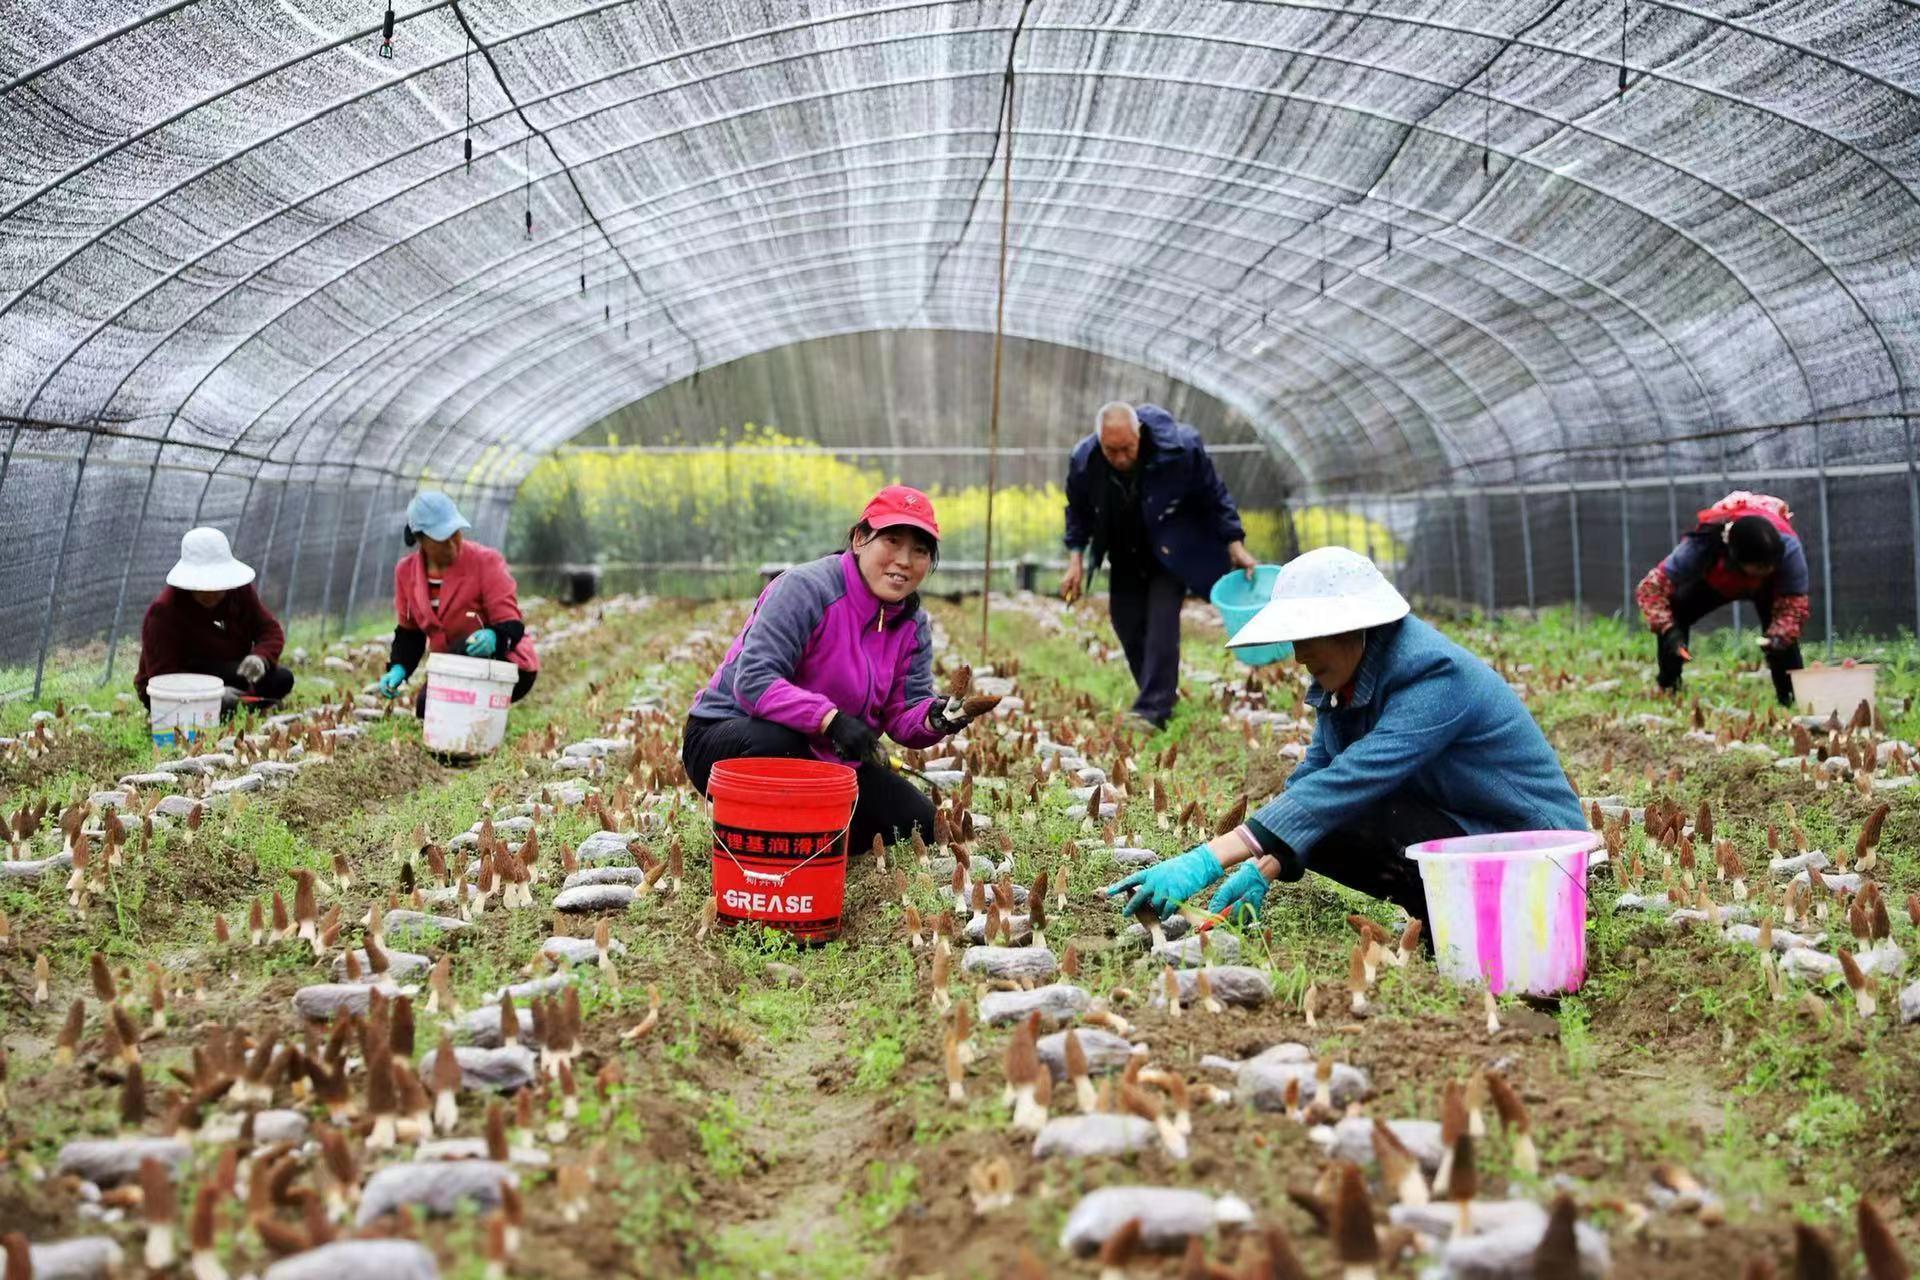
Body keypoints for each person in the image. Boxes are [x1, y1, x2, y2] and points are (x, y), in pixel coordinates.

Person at [1106, 547, 1584, 928]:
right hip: (1470, 837)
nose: (1298, 657)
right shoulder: (1348, 686)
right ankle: (1450, 920)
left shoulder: (1435, 676)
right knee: (1314, 817)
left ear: (1353, 626)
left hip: (1537, 854)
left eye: (1307, 636)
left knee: (1345, 804)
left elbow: (1352, 780)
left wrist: (1208, 859)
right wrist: (1264, 865)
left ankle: (1485, 917)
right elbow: (1316, 776)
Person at [682, 485, 986, 855]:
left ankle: (805, 838)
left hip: (827, 757)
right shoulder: (805, 588)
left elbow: (904, 713)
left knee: (915, 820)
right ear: (859, 539)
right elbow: (754, 683)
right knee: (779, 744)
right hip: (730, 737)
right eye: (891, 541)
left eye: (920, 550)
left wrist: (935, 718)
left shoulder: (911, 624)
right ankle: (762, 834)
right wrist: (830, 719)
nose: (905, 560)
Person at [1061, 401, 1257, 728]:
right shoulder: (1085, 461)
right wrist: (1075, 560)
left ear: (1139, 434)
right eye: (1113, 452)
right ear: (1099, 443)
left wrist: (1235, 543)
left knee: (1162, 622)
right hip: (1124, 550)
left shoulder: (1180, 449)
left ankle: (1153, 710)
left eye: (1127, 448)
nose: (1122, 459)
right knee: (1126, 622)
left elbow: (1214, 495)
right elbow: (1077, 513)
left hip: (1172, 549)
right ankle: (1160, 697)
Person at [1635, 490, 1809, 707]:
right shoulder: (1701, 546)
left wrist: (1779, 636)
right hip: (1719, 581)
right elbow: (1651, 588)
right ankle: (1669, 687)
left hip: (1769, 593)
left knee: (1783, 643)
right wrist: (1668, 629)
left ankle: (1791, 699)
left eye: (1772, 566)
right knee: (1677, 610)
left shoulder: (1790, 550)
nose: (1769, 569)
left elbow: (1793, 606)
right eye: (1761, 567)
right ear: (1737, 559)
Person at [377, 492, 538, 711]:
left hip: (506, 663)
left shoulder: (486, 561)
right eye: (443, 538)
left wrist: (495, 636)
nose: (453, 543)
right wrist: (399, 668)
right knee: (426, 707)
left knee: (460, 658)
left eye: (456, 533)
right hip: (452, 664)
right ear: (421, 539)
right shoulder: (406, 572)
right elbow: (410, 633)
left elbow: (511, 622)